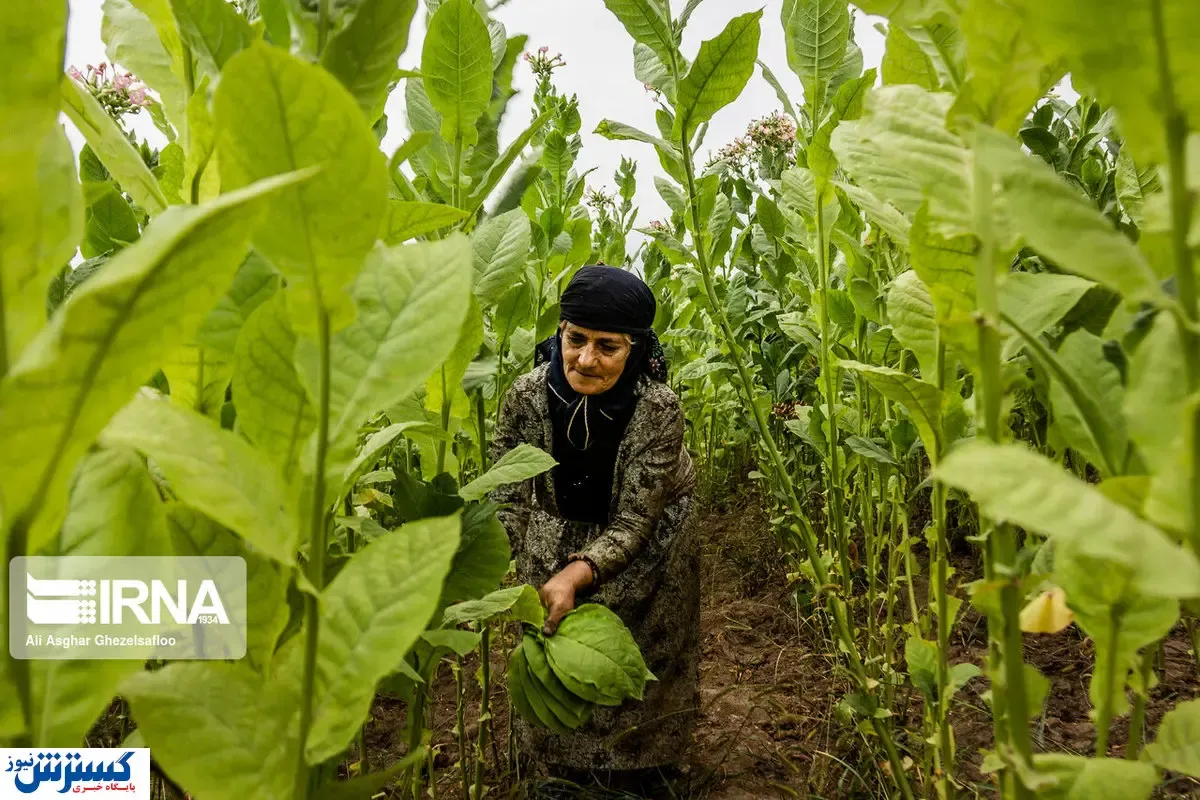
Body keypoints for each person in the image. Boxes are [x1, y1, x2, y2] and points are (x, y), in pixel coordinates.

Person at [490, 265, 699, 796]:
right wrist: (490, 564)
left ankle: (643, 770)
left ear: (636, 349)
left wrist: (576, 572)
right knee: (554, 641)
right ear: (560, 332)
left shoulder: (657, 409)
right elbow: (507, 495)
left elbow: (634, 521)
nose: (586, 359)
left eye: (608, 346)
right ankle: (559, 771)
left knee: (642, 645)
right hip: (558, 519)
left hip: (651, 532)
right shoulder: (526, 397)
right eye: (576, 339)